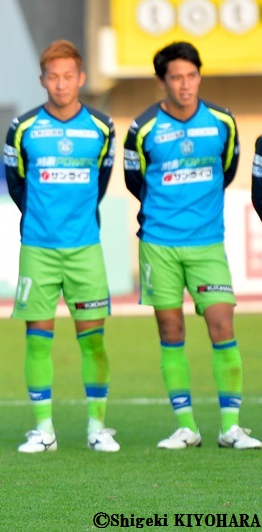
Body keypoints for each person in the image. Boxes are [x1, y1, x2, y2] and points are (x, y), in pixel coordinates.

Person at [124, 41, 261, 450]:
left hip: (207, 244)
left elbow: (230, 165)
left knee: (222, 325)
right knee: (171, 329)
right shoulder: (143, 127)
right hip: (159, 244)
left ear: (199, 76)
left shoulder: (223, 121)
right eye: (176, 77)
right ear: (162, 82)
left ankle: (231, 427)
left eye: (191, 76)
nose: (185, 85)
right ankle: (186, 426)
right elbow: (136, 181)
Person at [4, 40, 118, 453]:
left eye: (69, 75)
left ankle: (97, 427)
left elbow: (101, 183)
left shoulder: (102, 127)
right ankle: (44, 430)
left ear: (81, 78)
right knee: (38, 337)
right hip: (38, 247)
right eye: (53, 76)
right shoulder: (23, 128)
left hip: (85, 248)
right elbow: (17, 183)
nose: (61, 83)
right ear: (42, 80)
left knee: (93, 338)